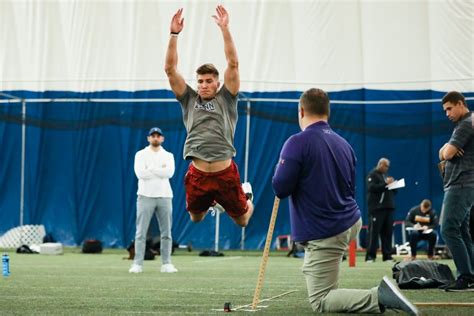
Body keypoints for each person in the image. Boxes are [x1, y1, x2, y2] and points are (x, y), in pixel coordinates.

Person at [272, 88, 418, 314]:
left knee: (321, 300)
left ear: (301, 110)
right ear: (327, 112)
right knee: (327, 284)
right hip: (349, 220)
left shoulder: (296, 142)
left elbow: (280, 187)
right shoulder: (345, 145)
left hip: (326, 230)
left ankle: (378, 296)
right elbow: (350, 188)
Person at [164, 6, 254, 227]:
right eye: (200, 81)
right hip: (199, 175)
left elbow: (233, 64)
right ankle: (214, 202)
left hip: (225, 173)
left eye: (208, 81)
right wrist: (174, 35)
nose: (204, 85)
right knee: (196, 217)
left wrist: (225, 28)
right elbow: (169, 69)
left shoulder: (227, 98)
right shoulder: (189, 99)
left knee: (242, 221)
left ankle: (247, 196)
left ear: (217, 83)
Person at [438, 91, 474, 291]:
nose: (447, 114)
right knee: (462, 231)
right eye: (445, 110)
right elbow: (444, 152)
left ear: (461, 104)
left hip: (461, 184)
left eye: (450, 108)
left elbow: (448, 153)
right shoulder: (465, 123)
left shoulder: (466, 123)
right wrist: (445, 147)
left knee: (448, 229)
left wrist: (446, 149)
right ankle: (471, 276)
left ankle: (466, 276)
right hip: (462, 184)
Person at [129, 127, 178, 274]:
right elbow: (140, 174)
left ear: (162, 138)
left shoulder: (168, 155)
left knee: (166, 233)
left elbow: (169, 173)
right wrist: (159, 170)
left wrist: (151, 169)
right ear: (148, 138)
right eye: (153, 136)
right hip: (145, 196)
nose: (155, 138)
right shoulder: (140, 154)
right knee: (140, 232)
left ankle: (166, 263)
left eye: (158, 136)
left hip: (165, 196)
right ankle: (137, 264)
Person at [365, 158, 397, 262]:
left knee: (387, 233)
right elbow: (372, 188)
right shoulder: (372, 175)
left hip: (389, 208)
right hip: (377, 209)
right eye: (385, 166)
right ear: (380, 164)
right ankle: (370, 256)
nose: (387, 168)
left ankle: (387, 255)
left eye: (388, 166)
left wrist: (393, 185)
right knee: (373, 233)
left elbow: (393, 192)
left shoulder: (385, 176)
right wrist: (386, 184)